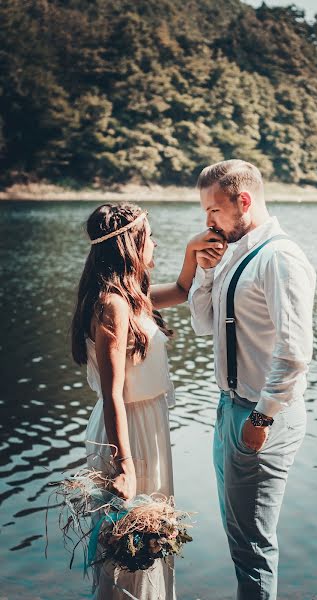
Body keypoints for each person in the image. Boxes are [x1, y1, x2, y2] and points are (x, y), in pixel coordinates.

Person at [71, 202, 225, 600]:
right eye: (150, 237)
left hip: (148, 425)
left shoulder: (133, 297)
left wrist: (194, 251)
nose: (155, 243)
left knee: (152, 537)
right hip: (126, 431)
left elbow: (180, 290)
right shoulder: (112, 305)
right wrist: (123, 465)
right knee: (128, 546)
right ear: (131, 244)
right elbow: (112, 395)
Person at [188, 160, 316, 600]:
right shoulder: (236, 253)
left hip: (263, 418)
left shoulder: (280, 258)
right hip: (230, 408)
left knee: (255, 549)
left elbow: (295, 351)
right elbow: (204, 324)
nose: (208, 222)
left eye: (214, 210)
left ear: (243, 201)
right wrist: (205, 271)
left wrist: (261, 420)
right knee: (240, 538)